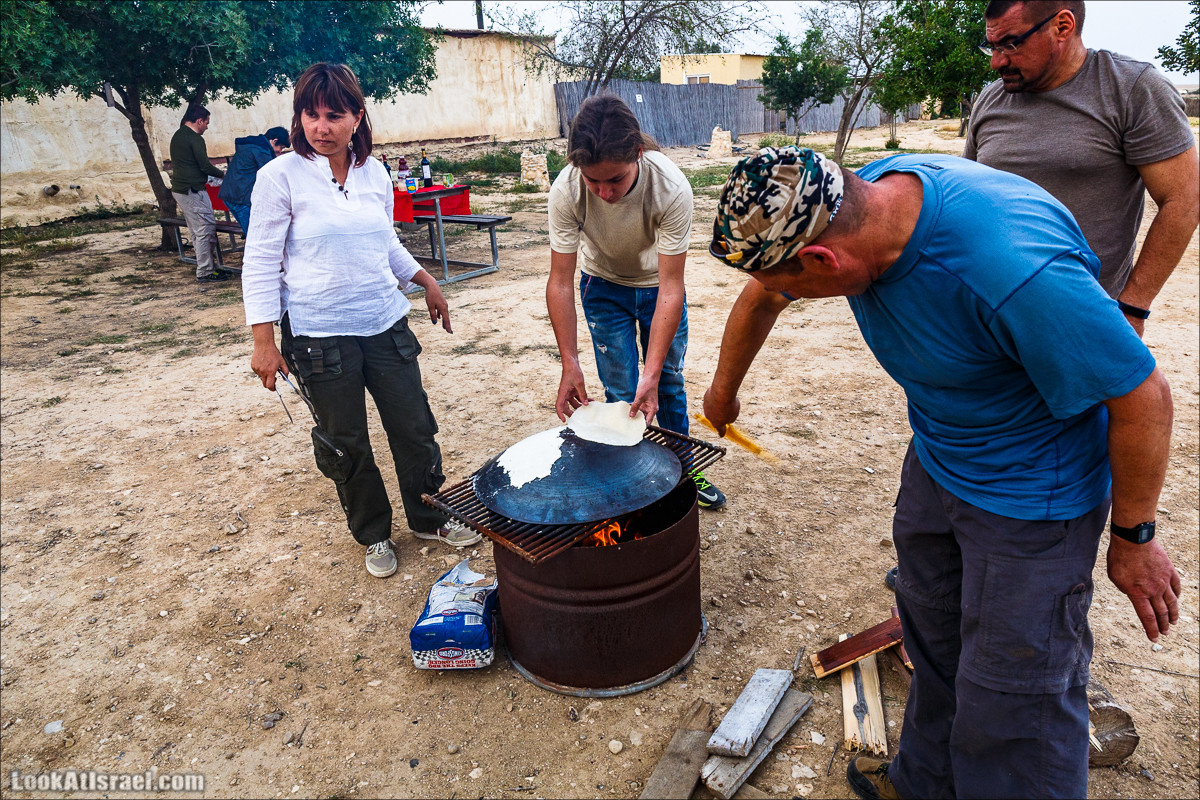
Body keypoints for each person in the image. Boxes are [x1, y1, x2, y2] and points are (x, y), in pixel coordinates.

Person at [703, 147, 1179, 799]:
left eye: (797, 286)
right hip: (940, 457)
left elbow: (1143, 398)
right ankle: (926, 784)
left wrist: (1135, 539)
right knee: (933, 639)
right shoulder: (853, 203)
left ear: (821, 260)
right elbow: (764, 293)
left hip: (1032, 495)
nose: (786, 296)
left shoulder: (1009, 268)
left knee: (1017, 696)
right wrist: (723, 391)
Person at [242, 62, 479, 580]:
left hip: (385, 321)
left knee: (414, 428)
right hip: (318, 335)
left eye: (334, 115)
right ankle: (373, 533)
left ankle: (428, 517)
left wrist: (426, 280)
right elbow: (259, 261)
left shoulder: (374, 172)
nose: (320, 127)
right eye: (310, 114)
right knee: (345, 441)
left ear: (357, 117)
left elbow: (385, 241)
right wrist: (263, 341)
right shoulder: (277, 177)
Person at [967, 0, 1198, 333]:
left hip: (1087, 321)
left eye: (1011, 44)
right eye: (991, 47)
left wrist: (1133, 306)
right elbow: (969, 200)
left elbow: (1184, 200)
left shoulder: (1131, 89)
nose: (996, 62)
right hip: (991, 317)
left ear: (1063, 26)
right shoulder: (990, 99)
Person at [546, 93, 726, 509]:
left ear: (638, 156)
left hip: (656, 288)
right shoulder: (566, 190)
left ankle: (686, 470)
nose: (604, 193)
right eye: (593, 181)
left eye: (616, 180)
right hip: (603, 286)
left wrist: (655, 367)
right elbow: (559, 282)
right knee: (621, 391)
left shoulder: (671, 187)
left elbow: (671, 286)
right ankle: (630, 483)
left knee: (666, 383)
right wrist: (569, 361)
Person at [169, 104, 229, 283]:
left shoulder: (178, 135)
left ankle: (207, 267)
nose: (207, 127)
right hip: (192, 189)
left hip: (181, 189)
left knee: (197, 231)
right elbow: (204, 165)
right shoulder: (194, 138)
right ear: (199, 120)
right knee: (205, 229)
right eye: (207, 123)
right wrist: (225, 175)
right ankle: (205, 271)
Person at [218, 126, 290, 233]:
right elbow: (274, 176)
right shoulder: (261, 151)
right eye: (281, 147)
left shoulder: (252, 145)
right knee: (255, 233)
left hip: (230, 195)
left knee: (252, 231)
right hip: (241, 198)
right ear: (274, 141)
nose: (280, 151)